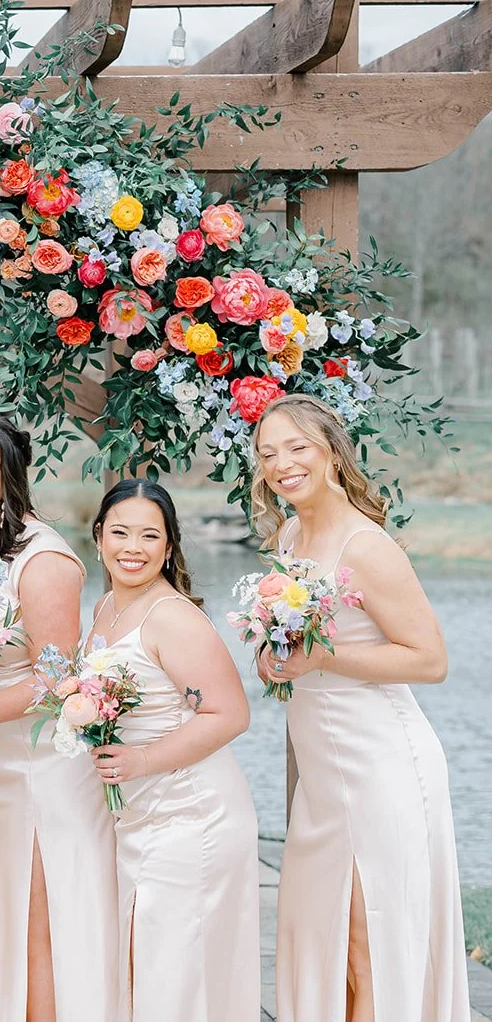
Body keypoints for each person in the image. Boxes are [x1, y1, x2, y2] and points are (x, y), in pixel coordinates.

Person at [253, 394, 470, 1022]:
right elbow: (305, 646)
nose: (281, 463)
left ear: (332, 454)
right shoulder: (292, 534)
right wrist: (276, 658)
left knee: (366, 943)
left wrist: (322, 661)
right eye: (268, 452)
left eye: (297, 447)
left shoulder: (365, 546)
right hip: (325, 780)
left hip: (381, 768)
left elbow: (430, 660)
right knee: (328, 941)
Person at [0, 412, 118, 1022]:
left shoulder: (44, 561)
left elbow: (59, 678)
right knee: (2, 924)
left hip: (45, 772)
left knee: (44, 924)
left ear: (13, 476)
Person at [85, 478, 259, 1021]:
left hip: (192, 813)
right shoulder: (108, 606)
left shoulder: (172, 616)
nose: (132, 548)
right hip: (140, 811)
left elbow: (230, 713)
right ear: (98, 538)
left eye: (148, 536)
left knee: (175, 970)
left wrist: (141, 760)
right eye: (119, 533)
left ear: (168, 545)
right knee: (146, 964)